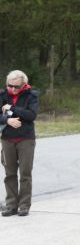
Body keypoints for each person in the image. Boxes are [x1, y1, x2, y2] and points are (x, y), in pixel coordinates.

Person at [0, 70, 39, 217]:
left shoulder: (31, 96)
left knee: (25, 173)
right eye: (10, 86)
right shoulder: (2, 95)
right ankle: (11, 205)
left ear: (24, 84)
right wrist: (7, 120)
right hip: (7, 139)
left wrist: (12, 108)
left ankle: (24, 205)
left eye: (17, 86)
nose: (13, 89)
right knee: (9, 173)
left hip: (26, 139)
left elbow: (31, 115)